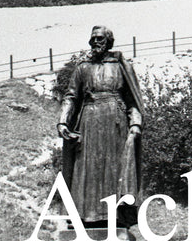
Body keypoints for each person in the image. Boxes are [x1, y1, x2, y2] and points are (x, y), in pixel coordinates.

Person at [57, 25, 143, 228]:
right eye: (93, 38)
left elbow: (133, 101)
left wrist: (136, 124)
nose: (96, 42)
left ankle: (114, 216)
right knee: (87, 168)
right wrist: (62, 120)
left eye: (100, 38)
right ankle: (84, 216)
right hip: (89, 121)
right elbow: (71, 96)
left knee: (114, 168)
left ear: (109, 41)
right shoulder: (82, 69)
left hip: (116, 123)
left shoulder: (121, 67)